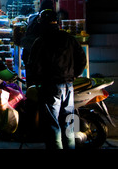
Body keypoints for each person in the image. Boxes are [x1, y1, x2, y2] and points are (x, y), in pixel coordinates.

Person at [28, 9, 87, 149]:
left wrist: (36, 81)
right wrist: (73, 75)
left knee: (52, 125)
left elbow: (33, 65)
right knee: (69, 123)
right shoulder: (69, 38)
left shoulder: (40, 41)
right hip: (68, 86)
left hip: (50, 87)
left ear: (42, 23)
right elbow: (82, 60)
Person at [21, 0, 54, 85]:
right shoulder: (46, 21)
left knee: (31, 83)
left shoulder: (32, 17)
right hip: (37, 57)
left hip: (28, 55)